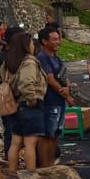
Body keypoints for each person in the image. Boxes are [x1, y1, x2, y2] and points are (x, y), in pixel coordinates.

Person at [0, 30, 46, 172]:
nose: (33, 45)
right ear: (25, 45)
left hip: (14, 105)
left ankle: (13, 172)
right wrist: (32, 99)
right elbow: (26, 82)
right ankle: (30, 174)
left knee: (15, 142)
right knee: (30, 142)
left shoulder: (8, 62)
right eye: (31, 43)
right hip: (28, 105)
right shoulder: (29, 61)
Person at [37, 27, 72, 168]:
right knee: (47, 136)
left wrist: (67, 89)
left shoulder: (56, 58)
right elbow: (50, 79)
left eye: (58, 39)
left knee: (55, 136)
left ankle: (51, 165)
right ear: (44, 41)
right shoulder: (42, 58)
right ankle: (44, 167)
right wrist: (65, 94)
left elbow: (64, 77)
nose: (58, 42)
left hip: (59, 101)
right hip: (49, 102)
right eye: (54, 39)